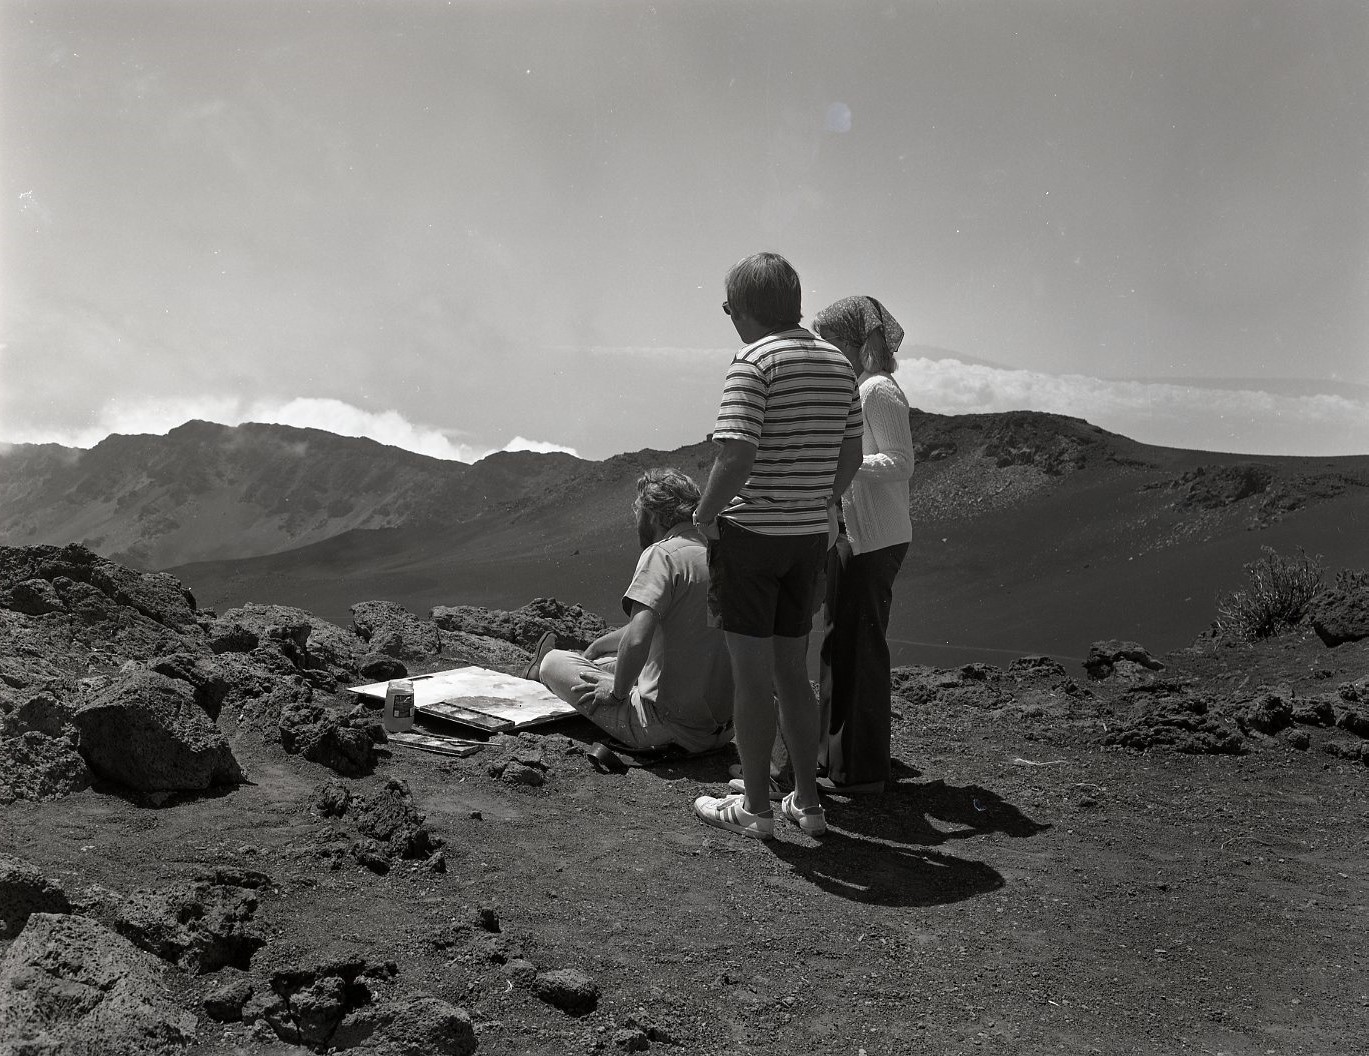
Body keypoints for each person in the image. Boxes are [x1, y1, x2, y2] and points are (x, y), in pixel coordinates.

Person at [690, 252, 864, 840]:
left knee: (750, 676)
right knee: (793, 671)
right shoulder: (839, 364)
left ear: (743, 309)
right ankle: (808, 805)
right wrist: (814, 498)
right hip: (807, 537)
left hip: (752, 538)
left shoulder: (752, 361)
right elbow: (851, 458)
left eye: (727, 309)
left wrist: (706, 515)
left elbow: (735, 455)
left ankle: (756, 809)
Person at [522, 468, 734, 754]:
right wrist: (598, 645)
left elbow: (638, 639)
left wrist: (617, 691)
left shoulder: (662, 554)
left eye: (638, 512)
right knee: (612, 658)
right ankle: (597, 669)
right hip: (720, 731)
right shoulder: (715, 554)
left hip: (664, 727)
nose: (636, 520)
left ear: (654, 516)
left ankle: (542, 672)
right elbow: (659, 624)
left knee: (554, 662)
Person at [811, 295, 914, 794]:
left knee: (860, 651)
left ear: (855, 341)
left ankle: (862, 770)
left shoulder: (877, 390)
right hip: (856, 538)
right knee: (841, 646)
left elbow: (900, 462)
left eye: (831, 340)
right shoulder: (861, 388)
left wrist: (844, 464)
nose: (824, 349)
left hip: (873, 542)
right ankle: (835, 758)